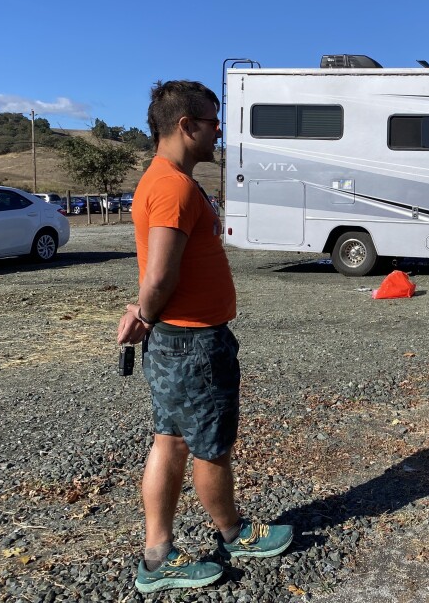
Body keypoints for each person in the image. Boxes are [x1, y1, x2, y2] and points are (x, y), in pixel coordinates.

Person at [117, 80, 292, 593]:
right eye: (213, 123)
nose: (219, 132)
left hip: (180, 339)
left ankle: (156, 558)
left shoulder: (162, 180)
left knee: (168, 441)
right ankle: (235, 534)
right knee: (210, 446)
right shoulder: (171, 186)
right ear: (185, 126)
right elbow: (160, 274)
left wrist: (145, 313)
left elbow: (157, 271)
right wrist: (145, 312)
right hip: (193, 344)